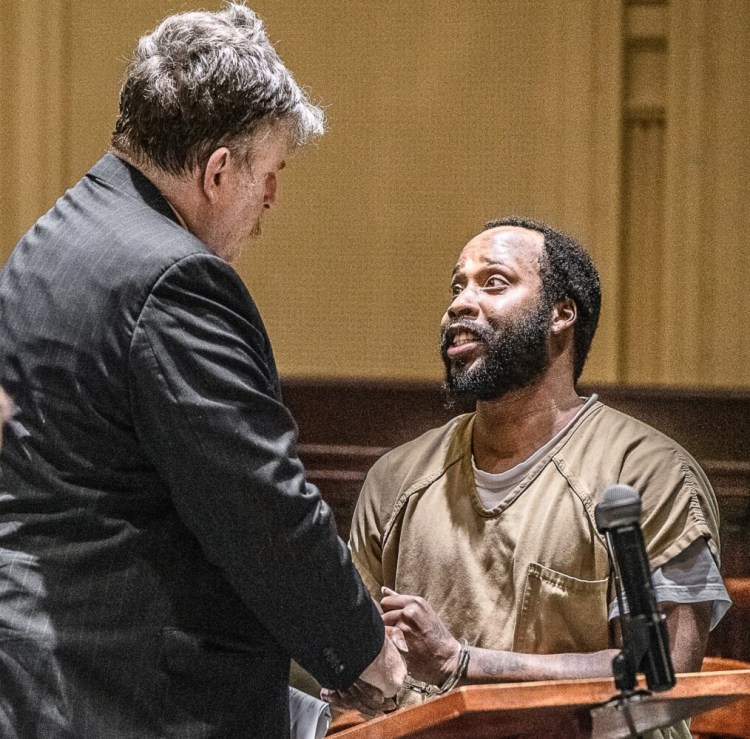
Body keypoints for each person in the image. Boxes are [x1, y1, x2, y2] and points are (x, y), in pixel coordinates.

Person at [0, 5, 404, 737]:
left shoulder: (53, 238)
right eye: (271, 173)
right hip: (126, 700)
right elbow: (260, 505)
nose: (272, 200)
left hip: (42, 676)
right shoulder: (175, 280)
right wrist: (366, 653)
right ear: (219, 171)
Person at [344, 217, 730, 737]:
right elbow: (363, 670)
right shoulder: (396, 479)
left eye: (493, 282)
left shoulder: (648, 473)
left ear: (561, 314)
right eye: (457, 286)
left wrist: (463, 665)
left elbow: (666, 676)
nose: (460, 302)